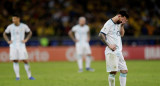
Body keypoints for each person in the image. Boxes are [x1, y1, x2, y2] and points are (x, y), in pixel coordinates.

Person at [99, 10, 129, 86]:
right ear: (119, 16)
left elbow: (122, 35)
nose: (123, 21)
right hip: (112, 51)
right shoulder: (109, 23)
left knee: (124, 71)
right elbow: (101, 35)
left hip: (119, 51)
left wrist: (122, 25)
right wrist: (109, 45)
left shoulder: (119, 24)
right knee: (113, 72)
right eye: (123, 19)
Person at [3, 14, 35, 80]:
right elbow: (4, 34)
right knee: (15, 60)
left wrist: (26, 39)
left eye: (14, 19)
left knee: (25, 60)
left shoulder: (24, 26)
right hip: (13, 46)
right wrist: (8, 41)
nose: (13, 20)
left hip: (21, 46)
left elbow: (30, 32)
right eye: (12, 19)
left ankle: (29, 76)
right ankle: (17, 77)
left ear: (18, 19)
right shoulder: (10, 27)